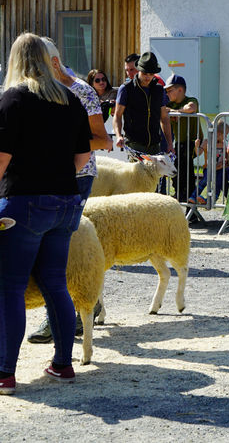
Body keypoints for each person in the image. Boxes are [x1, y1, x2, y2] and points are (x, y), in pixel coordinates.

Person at [0, 33, 92, 394]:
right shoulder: (68, 98)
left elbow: (2, 159)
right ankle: (63, 363)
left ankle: (5, 371)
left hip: (24, 202)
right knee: (56, 284)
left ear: (16, 60)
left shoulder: (12, 98)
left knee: (10, 287)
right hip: (66, 203)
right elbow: (83, 158)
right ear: (46, 59)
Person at [25, 38, 113, 345]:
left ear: (51, 62)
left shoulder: (82, 91)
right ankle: (84, 303)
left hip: (77, 177)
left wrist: (62, 144)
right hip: (50, 176)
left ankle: (62, 317)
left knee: (61, 250)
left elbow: (103, 140)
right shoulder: (38, 90)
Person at [113, 51, 175, 155]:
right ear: (139, 70)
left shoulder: (159, 90)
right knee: (137, 172)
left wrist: (169, 144)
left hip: (155, 145)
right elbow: (117, 115)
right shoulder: (126, 89)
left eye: (151, 74)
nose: (147, 77)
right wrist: (118, 135)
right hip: (135, 144)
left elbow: (164, 118)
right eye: (145, 73)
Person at [164, 74, 200, 202]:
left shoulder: (191, 100)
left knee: (187, 173)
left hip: (192, 142)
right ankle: (180, 193)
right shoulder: (169, 104)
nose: (167, 93)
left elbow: (191, 108)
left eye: (170, 90)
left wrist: (176, 111)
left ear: (180, 90)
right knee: (175, 167)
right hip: (179, 143)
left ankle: (188, 197)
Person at [188, 121, 229, 205]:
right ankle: (193, 196)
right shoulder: (206, 142)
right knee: (204, 181)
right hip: (209, 168)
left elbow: (226, 157)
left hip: (220, 169)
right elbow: (199, 153)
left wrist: (226, 160)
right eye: (225, 135)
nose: (226, 137)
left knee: (218, 184)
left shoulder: (223, 144)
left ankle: (211, 200)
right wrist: (197, 146)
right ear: (218, 133)